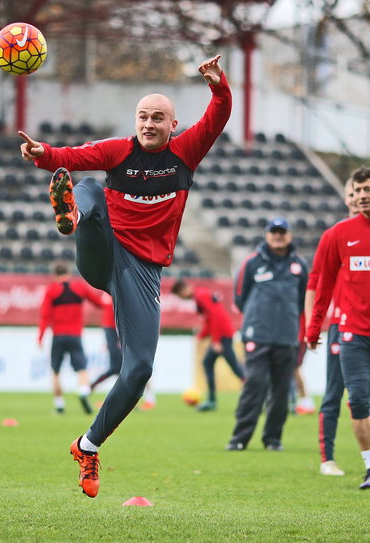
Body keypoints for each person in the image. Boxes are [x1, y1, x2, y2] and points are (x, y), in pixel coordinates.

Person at [19, 54, 231, 497]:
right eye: (142, 116)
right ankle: (72, 214)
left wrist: (218, 87)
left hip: (142, 272)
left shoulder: (185, 152)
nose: (148, 124)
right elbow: (73, 157)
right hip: (101, 251)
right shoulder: (119, 149)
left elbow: (217, 119)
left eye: (158, 118)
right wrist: (43, 156)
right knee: (89, 188)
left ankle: (87, 446)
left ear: (174, 125)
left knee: (138, 370)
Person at [306, 166, 370, 489]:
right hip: (352, 334)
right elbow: (322, 285)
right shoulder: (337, 234)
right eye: (356, 191)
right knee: (358, 400)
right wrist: (313, 329)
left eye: (367, 190)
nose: (361, 196)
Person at [225, 218, 307, 452]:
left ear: (289, 235)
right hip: (257, 335)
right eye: (274, 232)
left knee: (281, 391)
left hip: (287, 337)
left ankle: (273, 439)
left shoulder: (300, 265)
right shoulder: (251, 262)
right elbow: (240, 297)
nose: (278, 236)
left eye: (282, 232)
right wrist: (256, 319)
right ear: (267, 235)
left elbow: (302, 301)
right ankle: (239, 438)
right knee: (255, 386)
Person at [37, 261, 103, 415]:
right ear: (69, 273)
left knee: (55, 370)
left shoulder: (51, 290)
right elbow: (98, 302)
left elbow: (45, 316)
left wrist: (40, 336)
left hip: (58, 336)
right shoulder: (79, 287)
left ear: (55, 275)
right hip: (75, 335)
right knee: (81, 369)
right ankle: (83, 390)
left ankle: (59, 405)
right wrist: (108, 304)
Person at [171, 278, 245, 412]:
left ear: (183, 290)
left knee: (235, 367)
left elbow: (215, 316)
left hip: (223, 335)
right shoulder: (200, 295)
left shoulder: (201, 295)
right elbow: (210, 320)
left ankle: (255, 396)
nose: (182, 298)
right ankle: (212, 400)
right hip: (222, 333)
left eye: (180, 296)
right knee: (208, 363)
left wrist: (216, 340)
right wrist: (201, 336)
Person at [89, 292, 122, 393]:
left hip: (115, 330)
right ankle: (91, 386)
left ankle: (91, 386)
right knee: (118, 368)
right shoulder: (109, 292)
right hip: (112, 330)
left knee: (119, 368)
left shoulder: (113, 291)